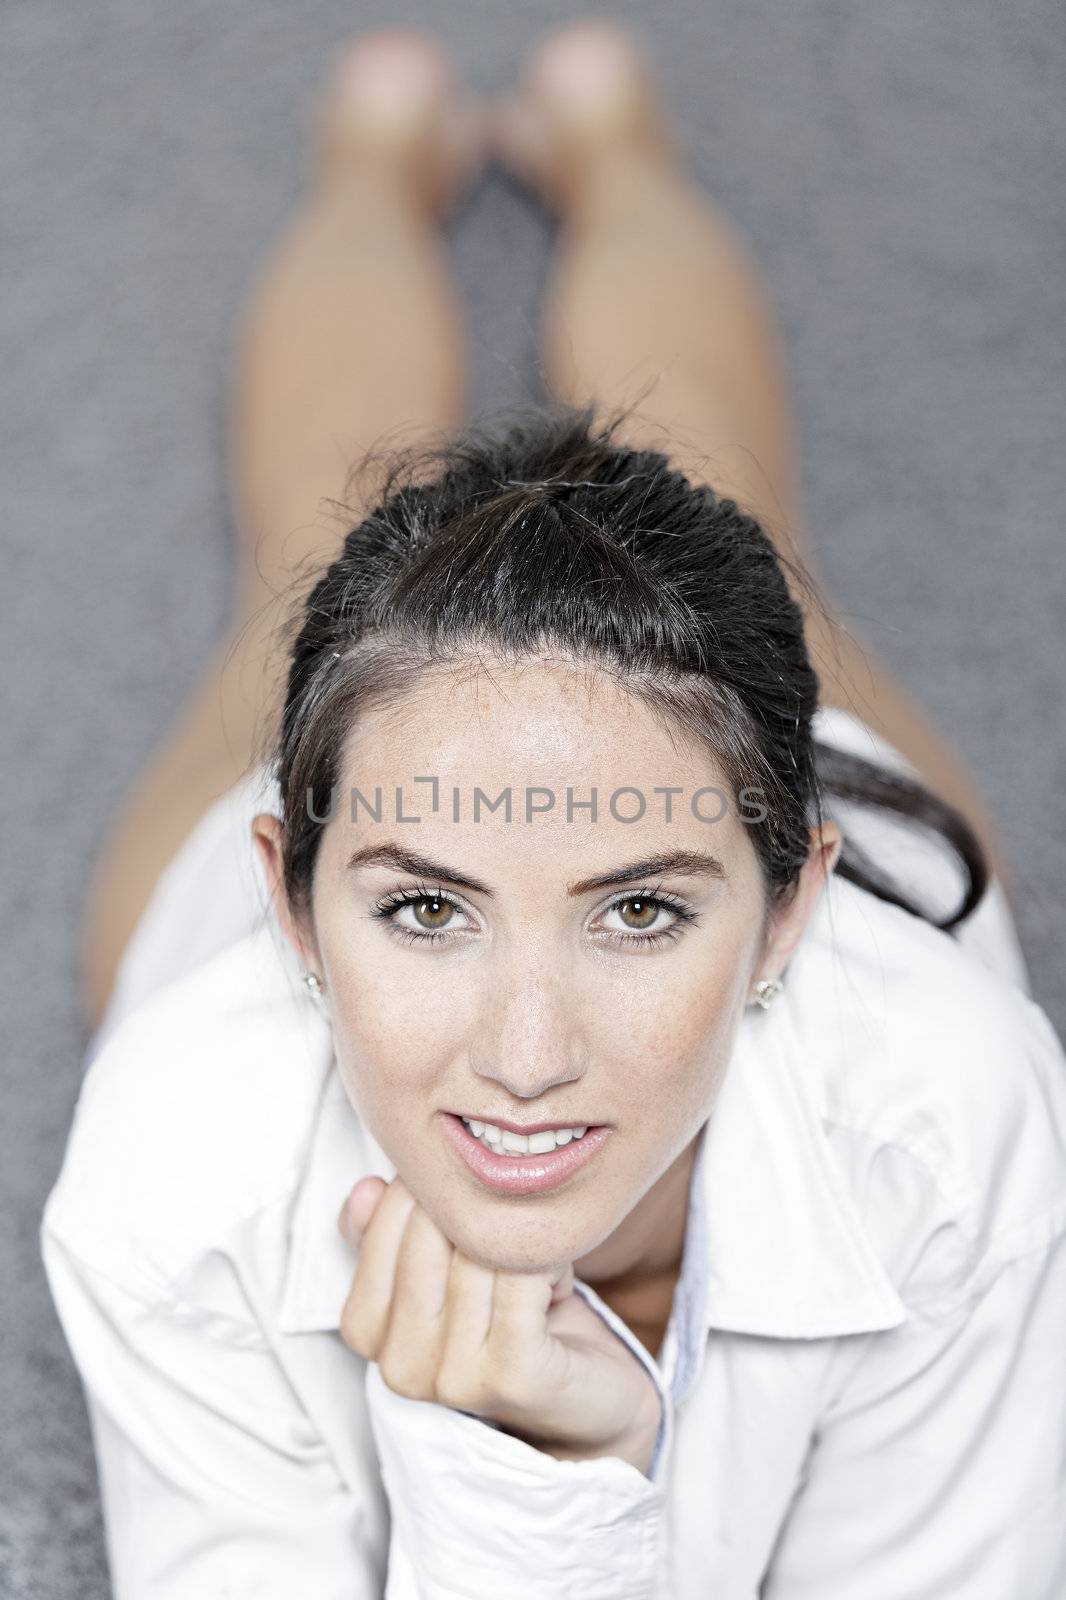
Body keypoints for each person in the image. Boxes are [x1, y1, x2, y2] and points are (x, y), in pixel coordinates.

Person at [41, 19, 1066, 1599]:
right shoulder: (171, 1158)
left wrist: (559, 1470)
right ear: (290, 892)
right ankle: (372, 166)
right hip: (383, 796)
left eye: (640, 908)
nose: (525, 1059)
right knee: (312, 543)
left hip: (745, 764)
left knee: (720, 491)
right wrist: (538, 1473)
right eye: (423, 907)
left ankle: (619, 152)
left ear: (793, 902)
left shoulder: (961, 1110)